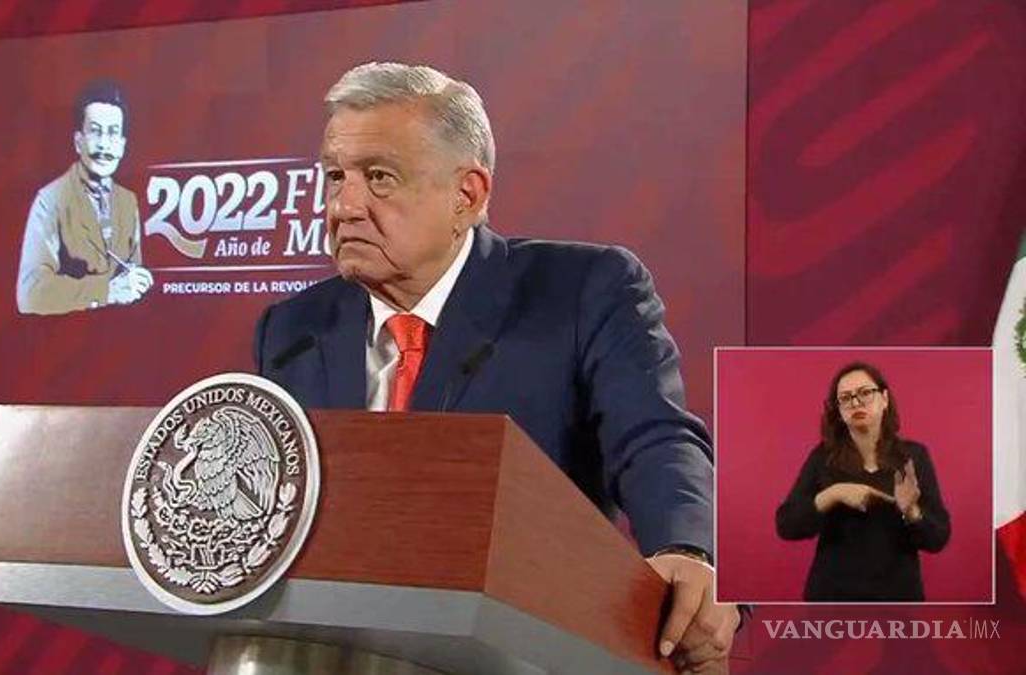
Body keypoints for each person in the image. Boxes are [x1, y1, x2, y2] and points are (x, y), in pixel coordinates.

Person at [253, 62, 738, 672]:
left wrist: (687, 548)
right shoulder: (292, 329)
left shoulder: (580, 291)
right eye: (335, 177)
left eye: (379, 178)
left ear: (468, 195)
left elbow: (655, 437)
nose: (345, 205)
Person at [776, 362, 950, 601]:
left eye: (865, 393)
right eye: (846, 398)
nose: (856, 403)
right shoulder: (823, 457)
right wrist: (833, 494)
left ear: (884, 399)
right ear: (838, 410)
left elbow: (938, 538)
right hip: (832, 598)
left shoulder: (913, 457)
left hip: (898, 598)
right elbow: (786, 525)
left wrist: (910, 511)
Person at [15, 80, 153, 315]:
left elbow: (131, 281)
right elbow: (30, 294)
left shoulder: (128, 202)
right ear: (78, 141)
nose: (104, 146)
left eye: (113, 133)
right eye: (95, 132)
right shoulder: (50, 200)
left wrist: (139, 282)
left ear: (122, 146)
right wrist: (106, 291)